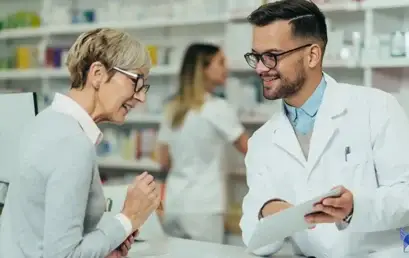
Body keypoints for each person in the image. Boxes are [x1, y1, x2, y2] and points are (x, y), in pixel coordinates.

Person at [239, 1, 409, 257]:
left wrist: (354, 208)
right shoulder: (262, 141)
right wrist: (268, 210)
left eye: (272, 56)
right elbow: (254, 240)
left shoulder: (376, 107)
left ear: (312, 55)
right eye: (257, 56)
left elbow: (405, 196)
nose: (261, 68)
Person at [0, 28, 161, 258]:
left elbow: (39, 237)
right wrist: (128, 218)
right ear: (97, 74)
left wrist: (106, 246)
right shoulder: (72, 144)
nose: (141, 97)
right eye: (136, 81)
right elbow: (64, 255)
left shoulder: (44, 121)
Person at [156, 43, 249, 244]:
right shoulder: (217, 108)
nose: (227, 67)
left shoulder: (173, 107)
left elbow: (163, 159)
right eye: (221, 62)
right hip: (204, 208)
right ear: (203, 69)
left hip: (174, 205)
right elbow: (249, 150)